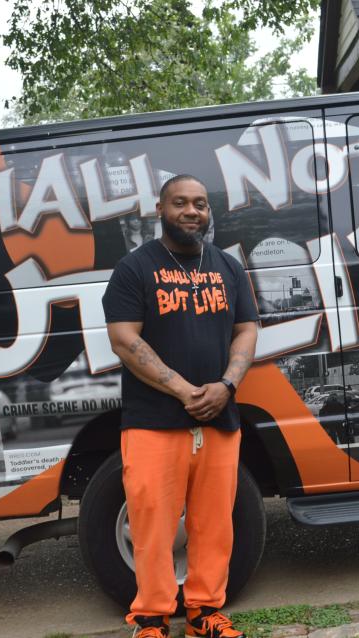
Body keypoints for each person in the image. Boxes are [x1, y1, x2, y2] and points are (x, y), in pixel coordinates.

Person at [104, 174, 259, 638]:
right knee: (152, 526)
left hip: (220, 417)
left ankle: (204, 613)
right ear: (161, 209)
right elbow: (123, 338)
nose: (192, 211)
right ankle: (150, 618)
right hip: (153, 422)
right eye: (180, 203)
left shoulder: (228, 268)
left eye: (200, 204)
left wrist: (227, 385)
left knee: (215, 523)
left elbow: (247, 329)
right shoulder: (135, 269)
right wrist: (182, 390)